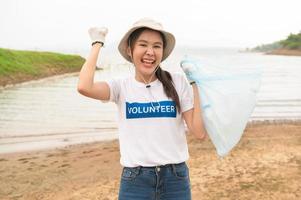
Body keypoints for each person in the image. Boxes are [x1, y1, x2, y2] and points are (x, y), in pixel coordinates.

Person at [77, 18, 207, 200]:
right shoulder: (120, 87)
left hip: (175, 180)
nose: (150, 52)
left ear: (162, 52)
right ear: (130, 50)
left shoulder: (177, 82)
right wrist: (97, 42)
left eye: (156, 46)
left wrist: (195, 84)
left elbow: (199, 132)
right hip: (135, 182)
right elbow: (84, 86)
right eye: (143, 45)